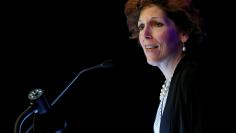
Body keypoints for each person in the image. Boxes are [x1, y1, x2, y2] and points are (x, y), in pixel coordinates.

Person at [124, 0, 209, 132]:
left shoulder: (191, 79)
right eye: (141, 26)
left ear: (183, 33)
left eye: (157, 24)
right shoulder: (173, 81)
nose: (145, 34)